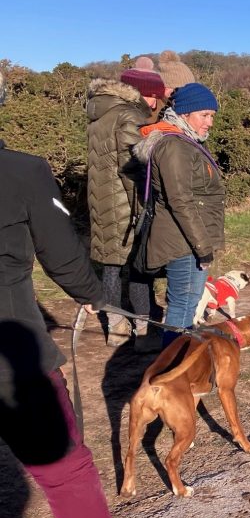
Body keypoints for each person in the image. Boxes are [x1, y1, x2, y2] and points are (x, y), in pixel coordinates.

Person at [0, 71, 129, 518]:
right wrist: (96, 296)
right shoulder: (23, 171)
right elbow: (64, 257)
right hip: (13, 354)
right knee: (67, 473)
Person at [134, 83, 225, 346]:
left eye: (212, 116)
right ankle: (171, 371)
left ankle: (178, 366)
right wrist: (202, 246)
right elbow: (180, 200)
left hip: (188, 240)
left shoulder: (185, 142)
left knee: (188, 306)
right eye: (204, 115)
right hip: (183, 243)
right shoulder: (175, 146)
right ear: (185, 114)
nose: (209, 122)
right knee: (182, 310)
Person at [85, 68, 166, 352]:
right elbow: (133, 168)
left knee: (110, 266)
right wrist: (149, 202)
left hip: (102, 199)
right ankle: (144, 331)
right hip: (128, 204)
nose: (156, 102)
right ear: (142, 92)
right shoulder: (130, 116)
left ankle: (116, 327)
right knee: (138, 266)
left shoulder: (100, 114)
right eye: (154, 95)